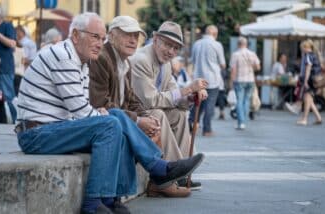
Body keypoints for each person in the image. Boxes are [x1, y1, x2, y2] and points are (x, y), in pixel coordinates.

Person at [15, 12, 204, 214]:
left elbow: (124, 101)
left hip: (56, 128)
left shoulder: (83, 60)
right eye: (95, 36)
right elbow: (81, 111)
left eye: (101, 38)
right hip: (36, 134)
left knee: (116, 124)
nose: (99, 43)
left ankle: (111, 200)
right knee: (113, 123)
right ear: (76, 35)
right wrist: (127, 119)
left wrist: (122, 117)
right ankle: (102, 199)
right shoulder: (64, 56)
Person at [89, 16, 190, 197]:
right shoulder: (107, 58)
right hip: (105, 120)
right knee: (154, 115)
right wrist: (140, 119)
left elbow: (132, 99)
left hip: (117, 117)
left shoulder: (125, 61)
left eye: (136, 36)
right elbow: (101, 104)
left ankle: (173, 173)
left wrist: (188, 98)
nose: (133, 40)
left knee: (170, 115)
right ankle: (164, 173)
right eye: (127, 35)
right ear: (111, 36)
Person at [130, 21, 208, 190]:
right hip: (134, 113)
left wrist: (190, 97)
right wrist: (187, 89)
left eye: (175, 48)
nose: (171, 52)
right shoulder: (141, 60)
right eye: (167, 45)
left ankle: (181, 173)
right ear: (155, 39)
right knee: (158, 114)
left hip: (147, 109)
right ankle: (171, 170)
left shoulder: (165, 65)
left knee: (179, 115)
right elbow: (149, 100)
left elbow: (175, 95)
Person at [189, 25, 226, 136]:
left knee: (197, 104)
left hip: (198, 79)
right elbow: (223, 64)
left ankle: (191, 126)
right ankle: (207, 129)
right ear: (215, 34)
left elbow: (193, 61)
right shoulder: (217, 45)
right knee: (210, 105)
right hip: (212, 79)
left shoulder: (196, 43)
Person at [229, 36, 260, 130]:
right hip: (250, 80)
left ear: (238, 44)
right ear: (246, 44)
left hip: (239, 80)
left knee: (239, 101)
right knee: (246, 101)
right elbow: (258, 67)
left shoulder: (236, 54)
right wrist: (251, 67)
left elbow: (233, 70)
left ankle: (241, 123)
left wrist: (231, 82)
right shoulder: (252, 54)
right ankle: (244, 121)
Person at [295, 39, 323, 125]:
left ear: (306, 47)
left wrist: (306, 80)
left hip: (310, 79)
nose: (302, 50)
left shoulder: (308, 55)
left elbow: (308, 68)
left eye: (302, 47)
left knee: (307, 99)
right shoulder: (314, 55)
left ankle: (304, 119)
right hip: (315, 80)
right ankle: (318, 117)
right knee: (309, 99)